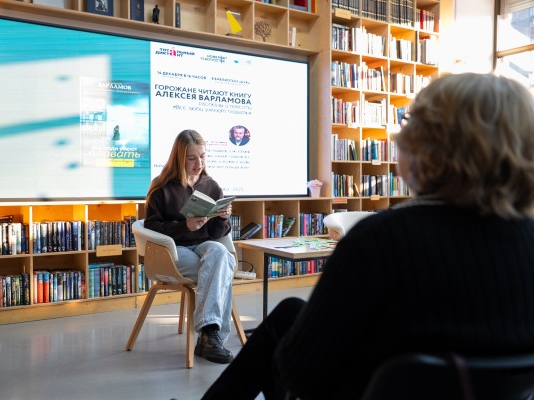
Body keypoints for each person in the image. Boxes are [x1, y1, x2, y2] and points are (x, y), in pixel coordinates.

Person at [202, 73, 534, 399]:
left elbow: (301, 375)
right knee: (291, 313)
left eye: (408, 124)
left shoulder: (380, 241)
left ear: (425, 146)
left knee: (287, 323)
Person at [144, 129, 236, 364]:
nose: (199, 164)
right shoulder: (162, 188)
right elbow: (151, 227)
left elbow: (217, 235)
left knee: (220, 253)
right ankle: (211, 337)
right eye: (192, 158)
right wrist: (184, 226)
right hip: (173, 250)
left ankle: (208, 335)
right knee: (220, 268)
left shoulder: (211, 186)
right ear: (179, 158)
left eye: (202, 156)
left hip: (204, 246)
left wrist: (223, 218)